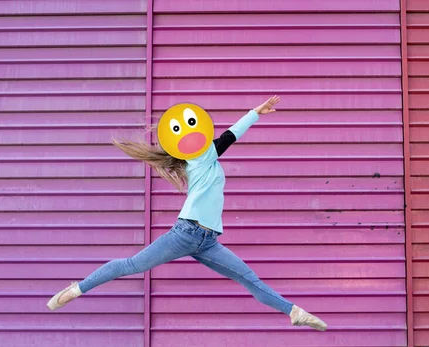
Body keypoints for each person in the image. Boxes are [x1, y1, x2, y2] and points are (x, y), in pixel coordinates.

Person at [46, 96, 327, 331]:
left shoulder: (204, 158)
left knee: (248, 279)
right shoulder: (201, 156)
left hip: (206, 241)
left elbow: (226, 138)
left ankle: (294, 312)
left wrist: (256, 112)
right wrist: (254, 113)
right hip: (187, 232)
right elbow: (231, 136)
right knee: (132, 265)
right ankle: (77, 289)